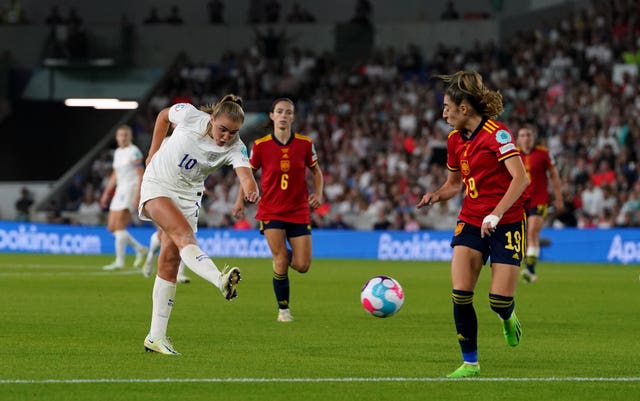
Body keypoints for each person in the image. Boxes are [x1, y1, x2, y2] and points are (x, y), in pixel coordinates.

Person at [416, 71, 529, 378]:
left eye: (446, 107)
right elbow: (454, 184)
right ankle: (470, 362)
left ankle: (508, 316)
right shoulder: (454, 140)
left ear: (463, 108)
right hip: (470, 220)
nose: (443, 113)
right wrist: (436, 195)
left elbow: (521, 178)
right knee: (461, 293)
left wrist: (496, 213)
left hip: (506, 221)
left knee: (498, 300)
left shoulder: (497, 134)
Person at [140, 95, 260, 355]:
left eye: (233, 132)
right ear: (213, 119)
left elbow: (245, 175)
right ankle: (219, 280)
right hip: (158, 183)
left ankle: (155, 338)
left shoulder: (236, 147)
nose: (227, 136)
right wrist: (152, 152)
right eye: (223, 129)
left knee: (170, 264)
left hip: (188, 197)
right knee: (184, 237)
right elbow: (163, 116)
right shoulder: (190, 115)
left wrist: (251, 189)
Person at [237, 98, 323, 323]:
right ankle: (283, 310)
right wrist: (239, 202)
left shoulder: (305, 144)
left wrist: (319, 193)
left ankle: (283, 259)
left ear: (293, 117)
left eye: (288, 112)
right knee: (280, 258)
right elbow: (248, 174)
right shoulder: (261, 145)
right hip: (271, 210)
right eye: (279, 112)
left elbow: (316, 171)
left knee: (303, 265)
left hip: (298, 210)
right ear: (272, 116)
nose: (284, 115)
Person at [516, 125, 563, 283]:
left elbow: (554, 177)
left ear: (533, 137)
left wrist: (559, 198)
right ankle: (529, 267)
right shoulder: (514, 155)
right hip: (520, 200)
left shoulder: (543, 153)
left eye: (529, 134)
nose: (526, 138)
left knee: (532, 232)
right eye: (522, 135)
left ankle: (529, 271)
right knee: (524, 236)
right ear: (518, 138)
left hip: (539, 200)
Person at [100, 125, 148, 271]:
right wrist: (107, 192)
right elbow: (115, 175)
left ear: (130, 137)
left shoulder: (134, 152)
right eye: (120, 135)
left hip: (130, 190)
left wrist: (139, 194)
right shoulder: (118, 152)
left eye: (126, 135)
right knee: (111, 228)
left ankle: (120, 261)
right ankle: (140, 249)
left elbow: (141, 173)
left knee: (120, 226)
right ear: (117, 137)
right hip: (120, 190)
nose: (123, 138)